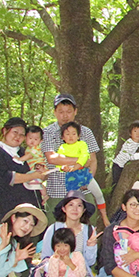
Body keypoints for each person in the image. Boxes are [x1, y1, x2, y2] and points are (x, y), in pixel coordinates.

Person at [40, 190, 99, 277]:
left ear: (83, 210)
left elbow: (90, 262)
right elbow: (45, 257)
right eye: (70, 205)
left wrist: (91, 246)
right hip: (58, 275)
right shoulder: (54, 229)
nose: (75, 209)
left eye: (79, 205)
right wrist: (55, 268)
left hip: (78, 274)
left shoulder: (88, 230)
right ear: (64, 208)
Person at [43, 94, 100, 225]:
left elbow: (93, 160)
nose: (65, 115)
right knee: (55, 230)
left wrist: (88, 179)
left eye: (69, 111)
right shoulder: (47, 133)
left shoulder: (85, 132)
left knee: (88, 227)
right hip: (57, 190)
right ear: (54, 112)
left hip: (82, 188)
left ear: (75, 111)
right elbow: (52, 158)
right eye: (61, 112)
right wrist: (81, 160)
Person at [0, 117, 44, 224]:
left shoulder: (25, 152)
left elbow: (39, 172)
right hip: (9, 209)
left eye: (22, 134)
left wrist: (41, 173)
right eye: (15, 132)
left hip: (33, 208)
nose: (18, 136)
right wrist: (33, 176)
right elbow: (7, 178)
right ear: (4, 131)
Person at [54, 121, 110, 226]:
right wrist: (62, 167)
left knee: (98, 194)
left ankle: (104, 216)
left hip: (84, 174)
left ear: (78, 136)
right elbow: (58, 162)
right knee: (72, 201)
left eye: (74, 133)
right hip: (71, 177)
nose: (71, 136)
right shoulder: (62, 148)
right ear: (62, 137)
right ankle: (70, 223)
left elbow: (85, 156)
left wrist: (78, 165)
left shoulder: (82, 144)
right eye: (67, 134)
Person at [16, 125, 48, 203]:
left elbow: (29, 156)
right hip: (35, 167)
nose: (32, 141)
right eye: (30, 138)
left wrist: (19, 159)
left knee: (37, 183)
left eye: (36, 139)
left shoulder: (35, 148)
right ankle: (44, 196)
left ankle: (45, 195)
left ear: (40, 141)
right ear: (25, 138)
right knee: (35, 182)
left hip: (38, 167)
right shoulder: (28, 148)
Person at [112, 120, 139, 187]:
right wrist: (138, 155)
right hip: (118, 165)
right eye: (135, 131)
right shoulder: (129, 143)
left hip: (125, 166)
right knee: (116, 183)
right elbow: (128, 156)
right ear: (130, 133)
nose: (137, 134)